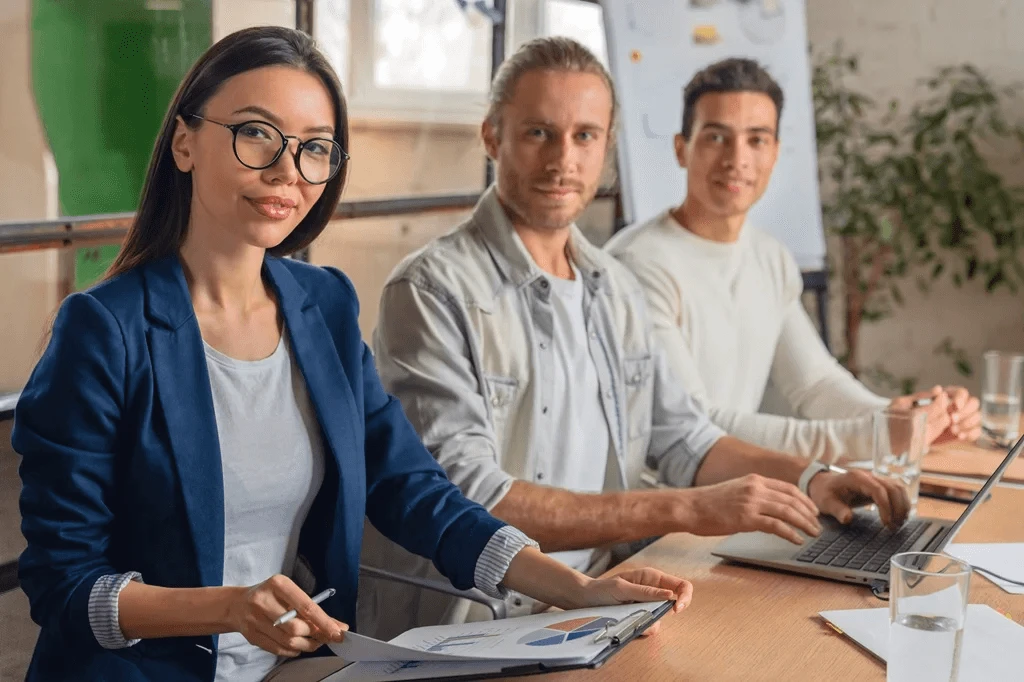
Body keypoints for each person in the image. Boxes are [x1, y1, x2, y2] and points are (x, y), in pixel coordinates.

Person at [12, 27, 694, 682]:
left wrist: (574, 588)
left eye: (315, 147)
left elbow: (412, 488)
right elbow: (63, 583)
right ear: (185, 142)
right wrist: (225, 607)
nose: (287, 170)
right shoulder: (103, 330)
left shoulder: (324, 306)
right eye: (256, 133)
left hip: (299, 668)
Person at [360, 37, 909, 641]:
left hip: (603, 596)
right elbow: (471, 498)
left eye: (585, 136)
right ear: (493, 137)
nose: (563, 159)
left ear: (607, 148)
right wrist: (686, 508)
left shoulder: (612, 287)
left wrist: (812, 478)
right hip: (478, 616)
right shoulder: (431, 289)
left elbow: (684, 435)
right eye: (539, 133)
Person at [606, 57, 982, 463]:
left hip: (731, 495)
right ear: (682, 149)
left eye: (757, 139)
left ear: (775, 152)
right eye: (717, 137)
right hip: (661, 509)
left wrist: (903, 415)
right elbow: (696, 425)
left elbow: (816, 383)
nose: (737, 159)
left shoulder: (770, 257)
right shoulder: (638, 264)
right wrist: (877, 437)